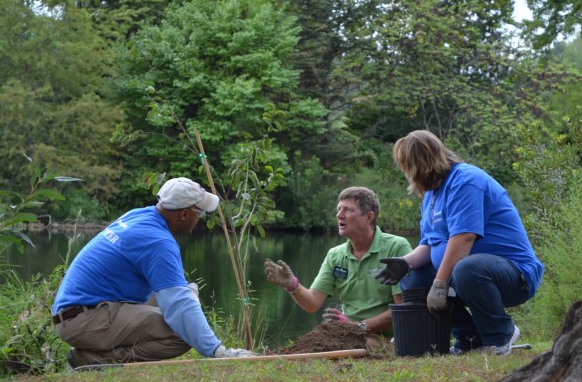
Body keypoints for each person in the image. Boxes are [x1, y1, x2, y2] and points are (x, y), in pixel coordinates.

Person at [52, 177, 255, 368]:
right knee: (181, 333)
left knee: (183, 297)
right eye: (199, 213)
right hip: (84, 320)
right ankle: (93, 359)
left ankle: (97, 352)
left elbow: (174, 295)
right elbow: (179, 305)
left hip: (78, 311)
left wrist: (187, 296)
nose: (199, 219)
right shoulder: (158, 242)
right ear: (184, 214)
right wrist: (218, 352)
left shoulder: (139, 215)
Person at [374, 130, 543, 355]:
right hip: (469, 275)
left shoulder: (465, 181)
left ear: (418, 164)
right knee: (413, 277)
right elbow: (430, 244)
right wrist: (405, 263)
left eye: (406, 166)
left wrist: (440, 284)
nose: (406, 173)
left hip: (514, 275)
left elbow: (464, 237)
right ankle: (469, 339)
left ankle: (501, 335)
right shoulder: (431, 197)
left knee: (467, 269)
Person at [264, 186, 411, 347]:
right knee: (309, 345)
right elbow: (312, 303)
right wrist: (291, 284)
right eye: (339, 209)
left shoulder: (396, 247)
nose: (339, 215)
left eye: (348, 210)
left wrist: (357, 327)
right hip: (348, 333)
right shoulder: (335, 255)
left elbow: (402, 310)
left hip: (387, 339)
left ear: (369, 217)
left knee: (334, 345)